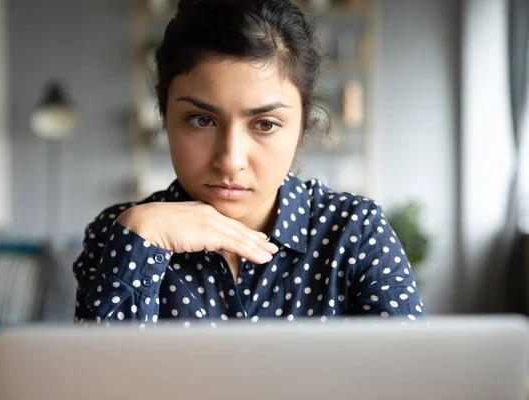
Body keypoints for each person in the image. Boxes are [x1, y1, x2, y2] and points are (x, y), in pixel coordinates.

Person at [73, 0, 425, 327]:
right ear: (164, 113)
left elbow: (411, 381)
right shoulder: (118, 236)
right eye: (201, 120)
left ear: (302, 126)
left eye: (265, 124)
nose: (230, 160)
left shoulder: (354, 233)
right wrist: (140, 243)